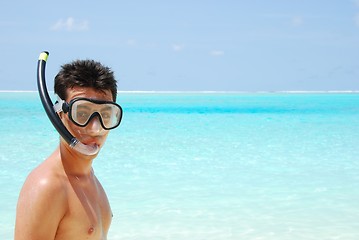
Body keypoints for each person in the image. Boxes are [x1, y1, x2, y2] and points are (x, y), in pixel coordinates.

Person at [15, 59, 122, 239]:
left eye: (105, 115)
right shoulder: (48, 186)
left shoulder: (89, 177)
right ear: (59, 114)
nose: (95, 128)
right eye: (81, 113)